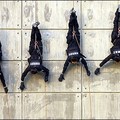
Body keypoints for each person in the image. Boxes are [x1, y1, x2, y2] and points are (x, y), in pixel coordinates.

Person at [58, 9, 90, 82]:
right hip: (71, 39)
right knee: (71, 27)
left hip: (74, 39)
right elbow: (65, 66)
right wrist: (87, 70)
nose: (74, 63)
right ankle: (72, 15)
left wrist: (62, 73)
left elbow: (65, 66)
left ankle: (73, 15)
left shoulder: (77, 57)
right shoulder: (70, 58)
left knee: (75, 26)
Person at [20, 22, 49, 91]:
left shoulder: (39, 67)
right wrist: (22, 82)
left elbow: (47, 71)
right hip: (32, 50)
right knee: (32, 39)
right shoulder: (29, 67)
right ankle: (34, 27)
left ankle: (36, 28)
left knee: (38, 39)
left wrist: (46, 77)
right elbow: (23, 74)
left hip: (37, 51)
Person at [95, 5, 120, 75]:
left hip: (116, 37)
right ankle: (118, 11)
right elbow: (106, 60)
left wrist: (99, 67)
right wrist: (99, 67)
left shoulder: (113, 55)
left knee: (116, 24)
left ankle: (118, 11)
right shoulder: (113, 55)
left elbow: (106, 60)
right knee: (116, 24)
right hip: (115, 37)